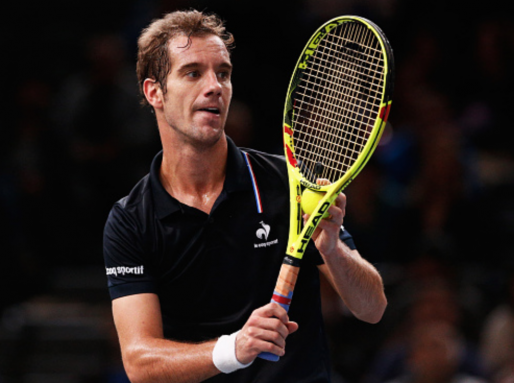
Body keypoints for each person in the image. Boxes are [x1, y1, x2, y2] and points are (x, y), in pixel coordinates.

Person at [102, 9, 387, 383]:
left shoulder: (288, 184)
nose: (214, 86)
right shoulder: (131, 221)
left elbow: (372, 308)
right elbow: (140, 361)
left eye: (223, 73)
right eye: (193, 73)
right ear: (154, 91)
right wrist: (233, 349)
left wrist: (334, 250)